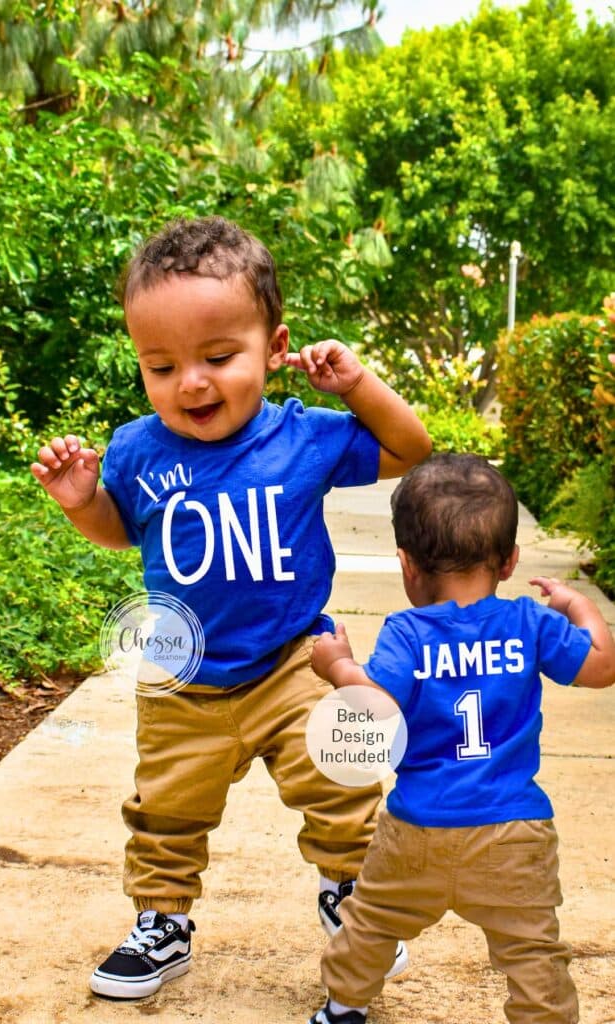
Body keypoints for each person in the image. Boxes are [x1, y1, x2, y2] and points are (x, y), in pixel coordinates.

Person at [30, 216, 431, 1000]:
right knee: (165, 809)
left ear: (274, 348)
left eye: (217, 358)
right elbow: (123, 531)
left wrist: (356, 386)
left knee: (342, 779)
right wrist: (82, 503)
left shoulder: (304, 437)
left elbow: (408, 448)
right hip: (183, 677)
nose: (190, 382)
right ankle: (162, 921)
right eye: (161, 365)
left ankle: (354, 897)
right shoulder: (135, 449)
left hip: (293, 659)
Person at [307, 452, 615, 1024]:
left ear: (407, 565)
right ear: (509, 562)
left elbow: (375, 704)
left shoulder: (407, 633)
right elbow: (602, 665)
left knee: (370, 923)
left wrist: (339, 665)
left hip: (417, 827)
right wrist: (578, 605)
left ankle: (343, 1008)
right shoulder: (530, 624)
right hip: (514, 832)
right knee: (533, 950)